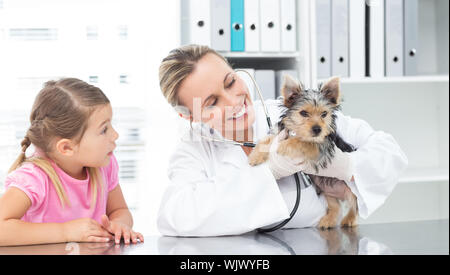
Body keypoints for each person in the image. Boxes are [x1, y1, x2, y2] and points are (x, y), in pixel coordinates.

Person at [157, 45, 408, 237]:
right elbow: (176, 217)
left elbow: (389, 152)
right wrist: (270, 171)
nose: (234, 101)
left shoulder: (294, 113)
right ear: (187, 114)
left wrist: (347, 167)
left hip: (324, 244)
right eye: (212, 102)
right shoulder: (193, 150)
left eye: (231, 82)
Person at [0, 78, 144, 246]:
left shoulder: (104, 166)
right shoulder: (34, 178)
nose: (115, 135)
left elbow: (119, 210)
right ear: (67, 147)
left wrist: (120, 224)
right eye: (104, 129)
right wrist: (65, 231)